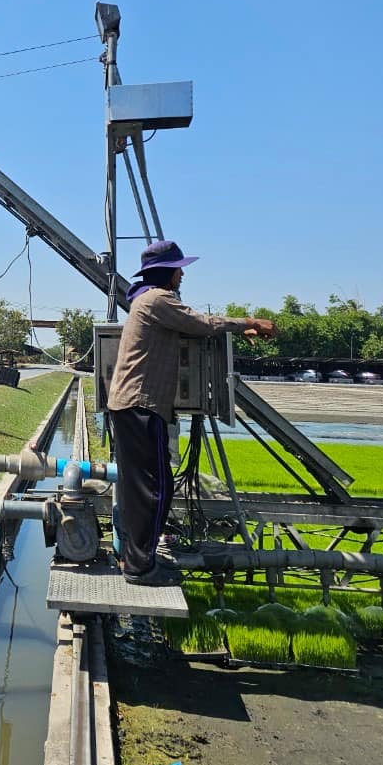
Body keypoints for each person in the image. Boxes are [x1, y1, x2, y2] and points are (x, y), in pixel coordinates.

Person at [107, 240, 276, 587]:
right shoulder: (157, 299)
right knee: (155, 489)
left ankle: (137, 558)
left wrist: (237, 328)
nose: (182, 274)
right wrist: (250, 321)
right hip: (142, 406)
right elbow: (200, 322)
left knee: (144, 487)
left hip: (131, 406)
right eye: (179, 269)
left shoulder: (145, 299)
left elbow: (191, 324)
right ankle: (140, 568)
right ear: (166, 272)